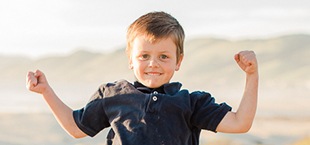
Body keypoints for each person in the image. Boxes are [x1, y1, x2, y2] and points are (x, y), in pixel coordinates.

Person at [26, 11, 258, 145]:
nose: (153, 63)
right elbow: (76, 128)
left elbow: (240, 123)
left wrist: (251, 75)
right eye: (144, 55)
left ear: (179, 61)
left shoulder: (192, 103)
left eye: (164, 56)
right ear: (131, 59)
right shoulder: (112, 95)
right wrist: (46, 91)